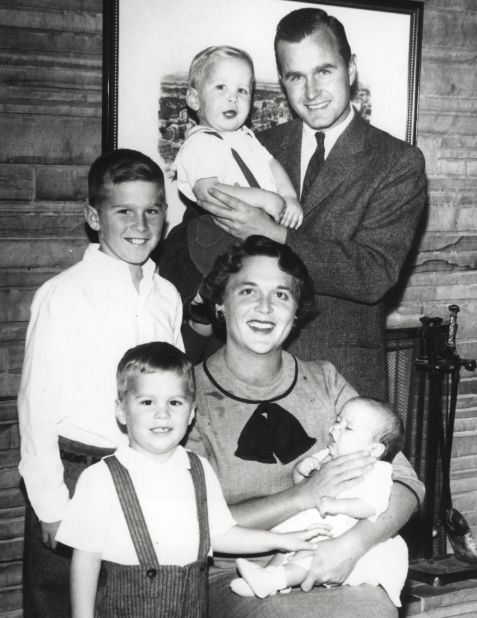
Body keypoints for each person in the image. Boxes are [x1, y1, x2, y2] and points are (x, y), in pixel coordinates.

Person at [184, 8, 428, 399]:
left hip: (341, 382)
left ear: (350, 69)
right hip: (242, 376)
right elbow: (199, 237)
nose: (311, 92)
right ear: (282, 81)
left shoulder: (397, 161)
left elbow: (373, 273)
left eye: (324, 71)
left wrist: (274, 234)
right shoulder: (256, 143)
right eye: (296, 76)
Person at [187, 235, 424, 618]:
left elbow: (406, 483)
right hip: (237, 570)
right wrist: (305, 495)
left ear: (296, 311)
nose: (265, 307)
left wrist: (351, 545)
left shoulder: (325, 380)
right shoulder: (187, 394)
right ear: (219, 302)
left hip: (343, 555)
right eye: (248, 290)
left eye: (281, 295)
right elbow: (197, 522)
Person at [17, 149, 183, 617]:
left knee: (131, 601)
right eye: (123, 210)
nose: (140, 223)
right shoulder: (64, 295)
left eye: (152, 210)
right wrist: (50, 502)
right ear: (94, 217)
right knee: (61, 606)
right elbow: (36, 407)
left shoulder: (165, 296)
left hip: (144, 473)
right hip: (75, 473)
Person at [56, 342, 322, 618]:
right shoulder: (100, 479)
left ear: (192, 412)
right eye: (147, 402)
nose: (163, 413)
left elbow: (219, 534)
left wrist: (281, 541)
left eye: (175, 402)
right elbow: (86, 559)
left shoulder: (198, 469)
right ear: (122, 411)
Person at [173, 45, 303, 335]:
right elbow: (209, 192)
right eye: (220, 87)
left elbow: (272, 166)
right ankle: (203, 298)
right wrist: (265, 198)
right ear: (194, 98)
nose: (233, 97)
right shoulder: (201, 142)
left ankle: (215, 309)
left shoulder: (245, 137)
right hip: (220, 226)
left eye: (243, 90)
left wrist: (289, 196)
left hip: (254, 227)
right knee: (228, 263)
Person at [231, 397, 408, 607]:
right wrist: (301, 471)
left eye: (348, 428)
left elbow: (373, 506)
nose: (334, 429)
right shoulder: (328, 455)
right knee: (284, 548)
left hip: (340, 530)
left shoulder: (378, 471)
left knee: (309, 556)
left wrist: (339, 506)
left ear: (374, 450)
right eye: (337, 420)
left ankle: (273, 580)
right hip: (314, 521)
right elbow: (305, 489)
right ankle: (265, 576)